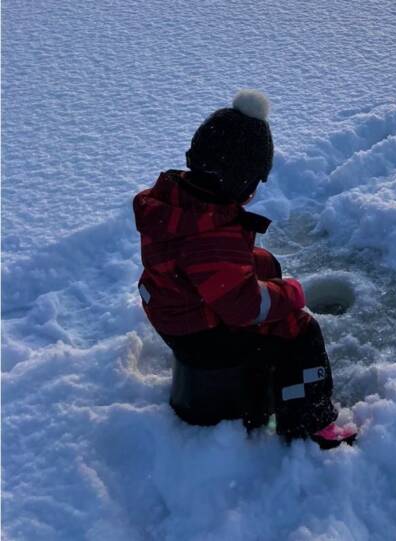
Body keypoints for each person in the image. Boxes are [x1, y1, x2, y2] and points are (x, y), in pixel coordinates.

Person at [133, 89, 356, 449]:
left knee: (263, 262)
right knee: (301, 330)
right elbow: (245, 307)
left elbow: (211, 264)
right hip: (202, 337)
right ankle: (310, 422)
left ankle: (261, 374)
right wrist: (292, 293)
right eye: (255, 182)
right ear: (240, 183)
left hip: (172, 302)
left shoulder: (177, 197)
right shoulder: (212, 237)